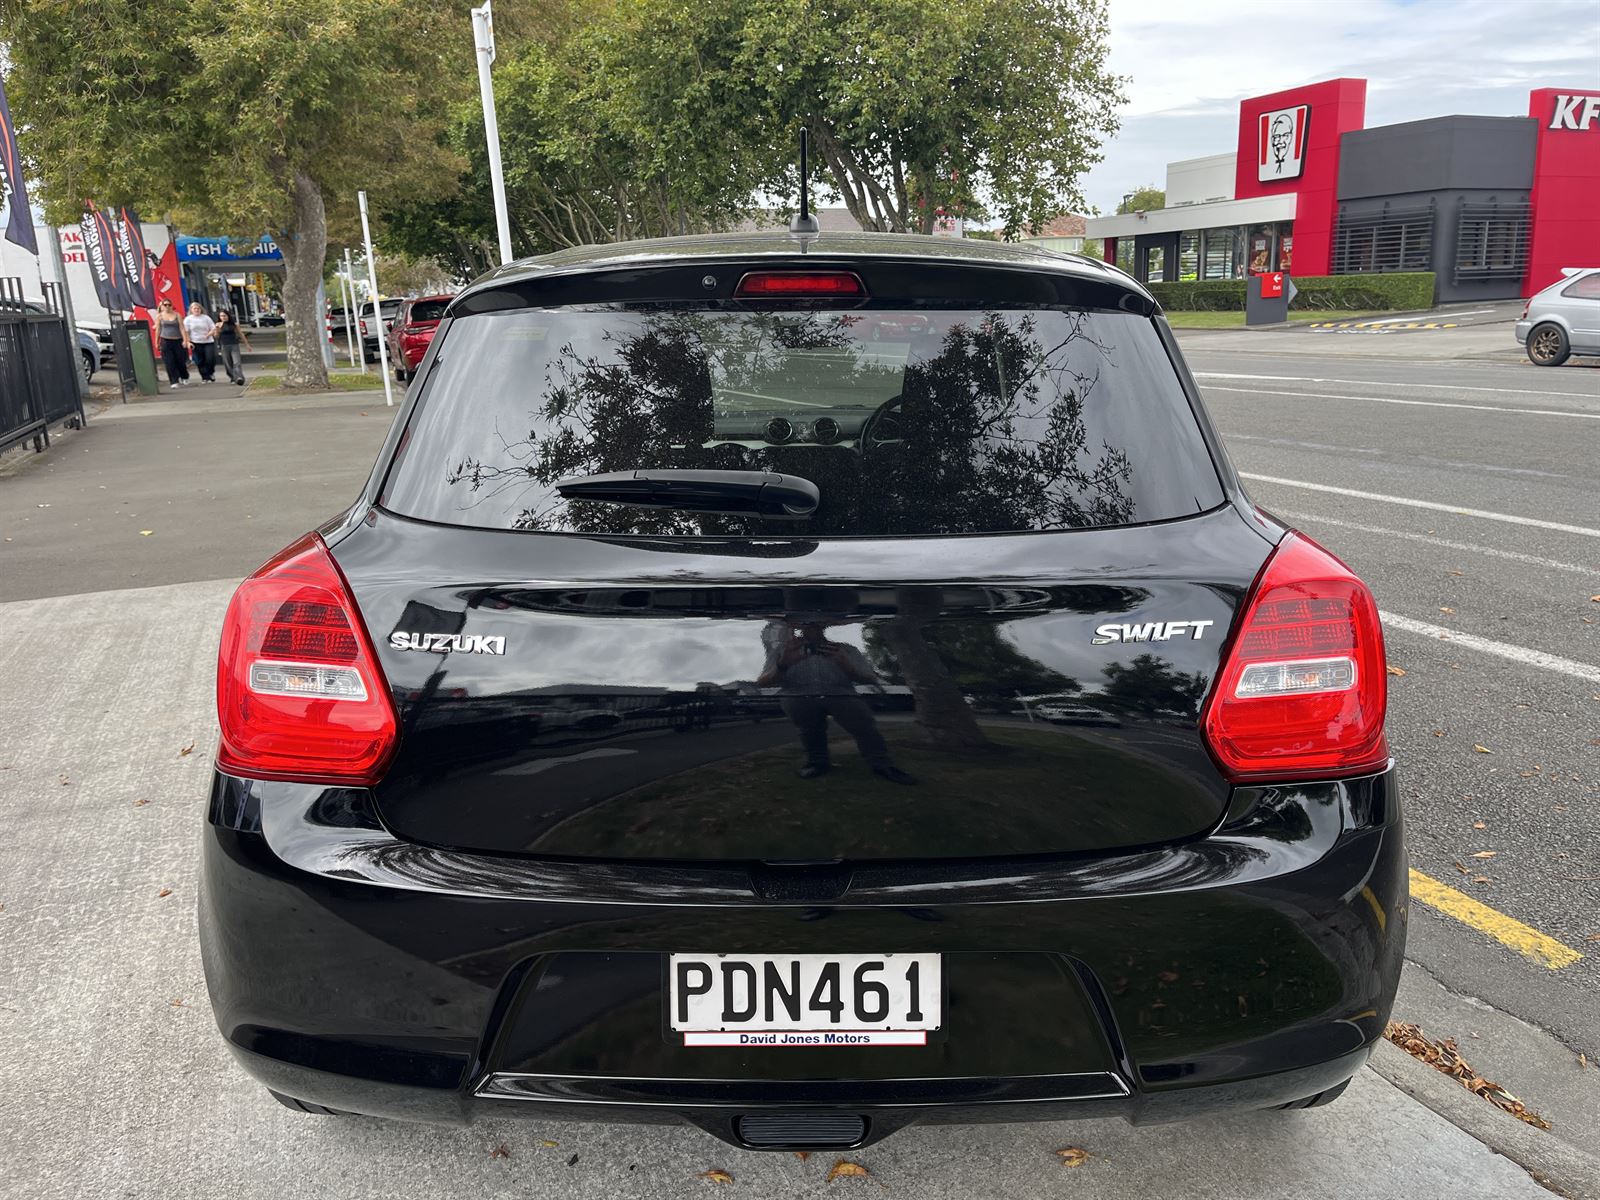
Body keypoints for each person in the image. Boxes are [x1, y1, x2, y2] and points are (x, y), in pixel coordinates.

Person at [756, 620, 916, 784]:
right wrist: (783, 665)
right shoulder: (784, 651)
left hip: (840, 694)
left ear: (824, 625)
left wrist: (846, 665)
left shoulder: (845, 650)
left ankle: (882, 764)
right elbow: (763, 682)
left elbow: (870, 678)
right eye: (806, 623)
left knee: (864, 725)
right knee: (809, 729)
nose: (811, 627)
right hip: (799, 695)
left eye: (816, 623)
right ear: (799, 627)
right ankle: (817, 762)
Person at [154, 298, 190, 390]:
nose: (167, 306)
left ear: (171, 305)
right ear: (162, 306)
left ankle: (184, 376)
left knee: (180, 360)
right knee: (169, 362)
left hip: (177, 340)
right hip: (166, 340)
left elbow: (182, 328)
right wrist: (156, 342)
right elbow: (158, 330)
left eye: (169, 305)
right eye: (165, 305)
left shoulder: (177, 315)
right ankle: (174, 381)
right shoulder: (159, 316)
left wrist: (185, 340)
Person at [214, 307, 250, 385]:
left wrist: (247, 344)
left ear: (228, 316)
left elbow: (241, 334)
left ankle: (239, 377)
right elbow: (216, 336)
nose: (223, 317)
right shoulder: (218, 325)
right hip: (224, 345)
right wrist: (217, 329)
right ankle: (233, 377)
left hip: (234, 345)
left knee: (237, 362)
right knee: (228, 363)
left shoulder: (234, 325)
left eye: (224, 316)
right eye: (221, 316)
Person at [184, 301, 218, 383]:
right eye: (194, 308)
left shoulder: (206, 318)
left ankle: (211, 372)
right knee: (200, 361)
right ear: (191, 310)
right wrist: (188, 342)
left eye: (198, 308)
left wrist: (209, 334)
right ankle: (205, 377)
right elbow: (186, 331)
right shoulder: (188, 319)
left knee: (210, 358)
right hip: (195, 342)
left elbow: (213, 328)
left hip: (208, 341)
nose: (196, 310)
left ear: (201, 309)